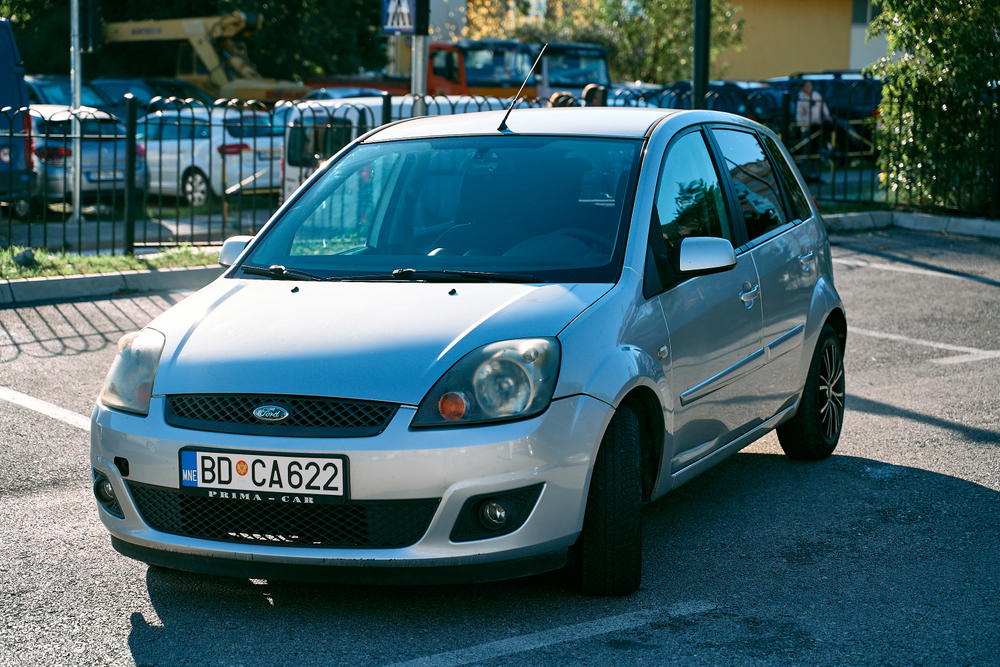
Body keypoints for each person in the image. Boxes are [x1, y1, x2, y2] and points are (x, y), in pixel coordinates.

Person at [796, 80, 832, 183]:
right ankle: (804, 175)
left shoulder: (816, 95)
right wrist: (811, 120)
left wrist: (827, 116)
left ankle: (814, 174)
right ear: (803, 88)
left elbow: (823, 106)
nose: (809, 88)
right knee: (807, 151)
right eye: (806, 86)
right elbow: (799, 117)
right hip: (807, 128)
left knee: (816, 151)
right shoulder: (801, 99)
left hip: (817, 127)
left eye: (810, 86)